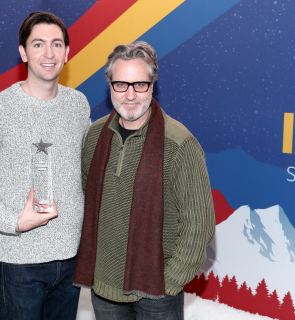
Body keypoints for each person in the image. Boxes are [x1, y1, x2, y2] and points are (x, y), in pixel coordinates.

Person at [0, 11, 91, 320]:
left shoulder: (79, 104)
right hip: (19, 263)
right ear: (23, 52)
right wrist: (14, 221)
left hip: (71, 258)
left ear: (68, 53)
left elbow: (82, 172)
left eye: (56, 44)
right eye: (38, 44)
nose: (48, 53)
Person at [73, 41, 215, 320]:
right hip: (103, 289)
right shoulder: (94, 136)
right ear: (109, 85)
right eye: (121, 84)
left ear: (152, 85)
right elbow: (82, 200)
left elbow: (199, 224)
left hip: (157, 292)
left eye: (139, 84)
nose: (130, 95)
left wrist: (170, 283)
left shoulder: (179, 144)